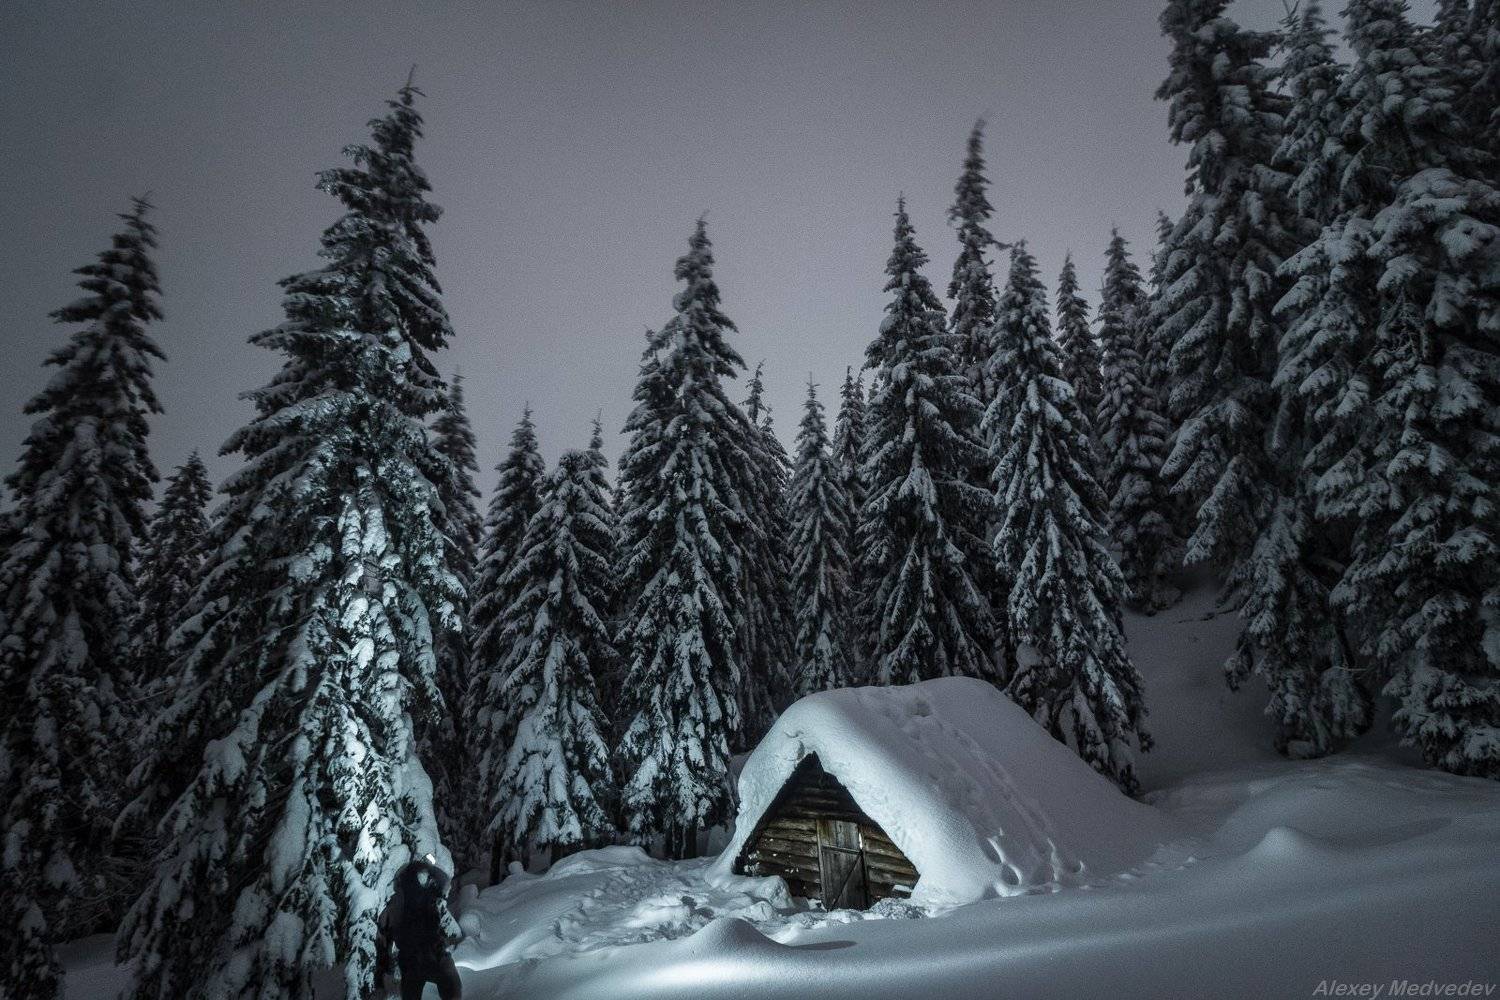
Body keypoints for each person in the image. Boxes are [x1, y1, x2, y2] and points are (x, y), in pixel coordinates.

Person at [374, 854, 464, 1000]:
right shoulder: (428, 897)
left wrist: (382, 974)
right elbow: (445, 881)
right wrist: (428, 866)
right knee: (453, 987)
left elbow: (383, 941)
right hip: (433, 957)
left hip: (411, 962)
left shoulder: (394, 905)